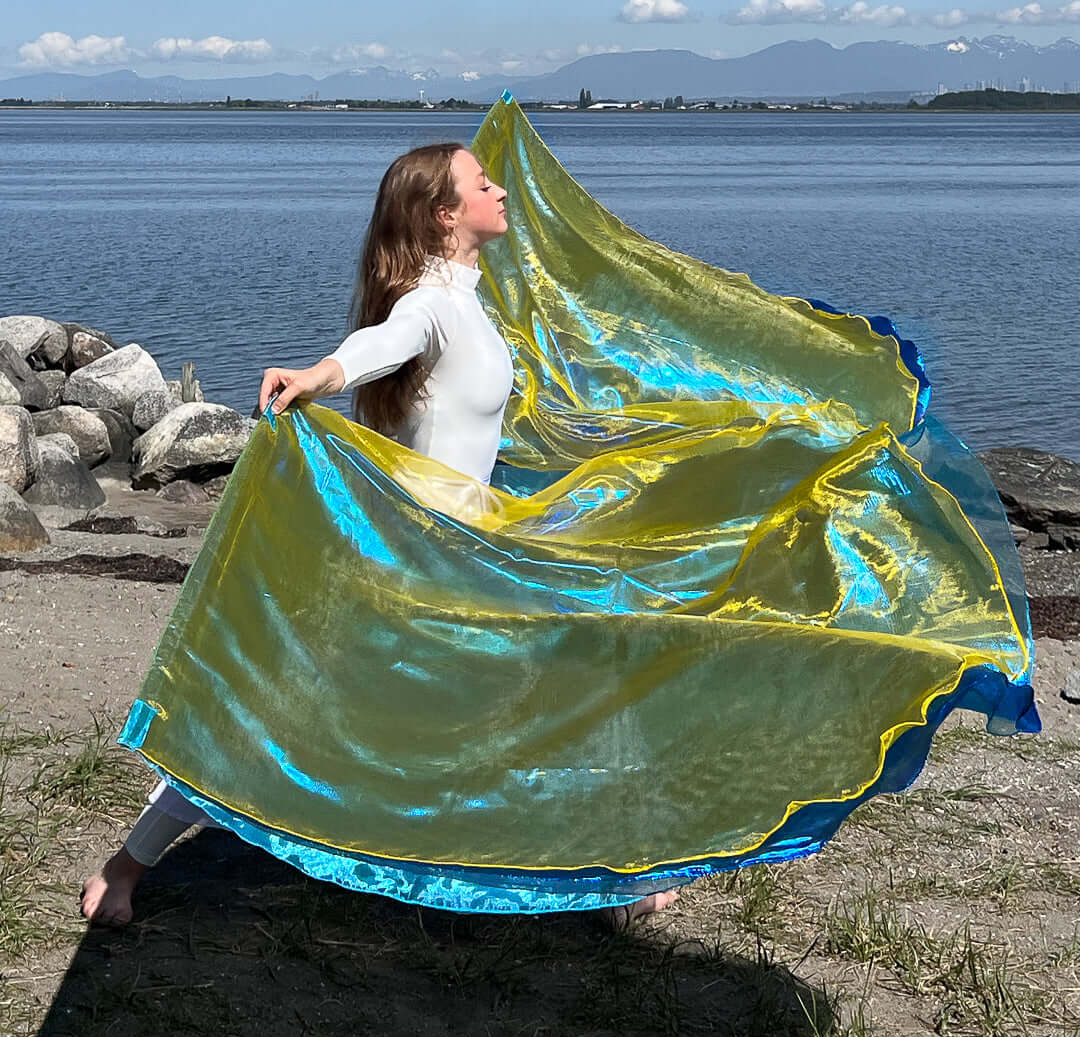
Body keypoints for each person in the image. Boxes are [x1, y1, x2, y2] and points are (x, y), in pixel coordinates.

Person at [81, 141, 678, 927]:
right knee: (282, 719)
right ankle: (123, 869)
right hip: (425, 561)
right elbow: (378, 346)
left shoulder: (466, 299)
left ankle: (613, 878)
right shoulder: (430, 305)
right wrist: (316, 378)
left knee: (578, 680)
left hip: (466, 548)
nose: (499, 191)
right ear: (444, 214)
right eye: (481, 183)